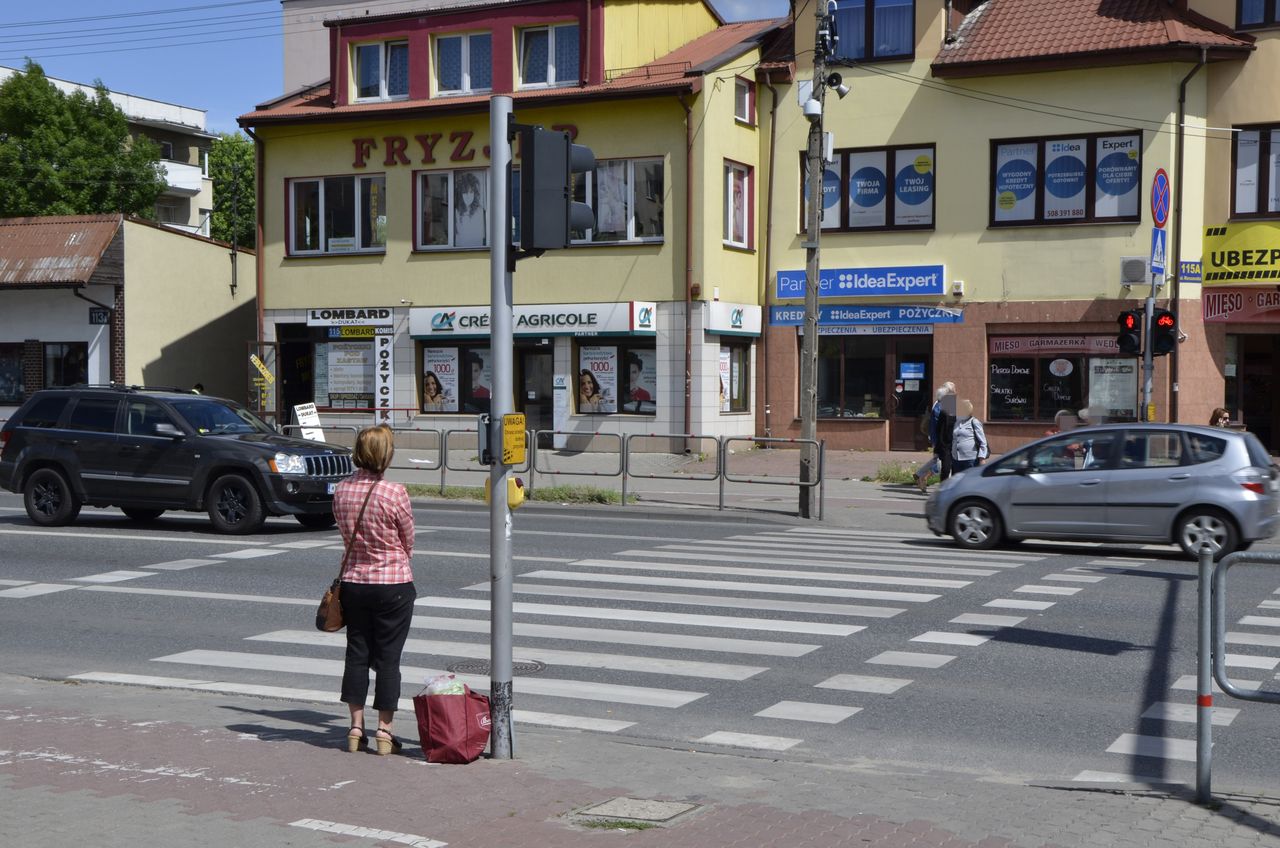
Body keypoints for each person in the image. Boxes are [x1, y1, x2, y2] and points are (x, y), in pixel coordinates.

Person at [332, 425, 416, 756]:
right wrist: (395, 559)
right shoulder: (395, 492)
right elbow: (408, 538)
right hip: (393, 584)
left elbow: (342, 530)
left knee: (357, 654)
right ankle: (385, 730)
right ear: (386, 454)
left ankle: (355, 728)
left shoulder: (341, 490)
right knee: (388, 658)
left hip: (354, 582)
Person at [915, 382, 954, 493]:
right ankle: (924, 477)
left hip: (940, 439)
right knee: (940, 463)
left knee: (937, 460)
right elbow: (941, 427)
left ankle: (919, 475)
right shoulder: (941, 408)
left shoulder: (941, 405)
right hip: (940, 440)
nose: (954, 393)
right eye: (952, 391)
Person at [951, 398, 988, 473]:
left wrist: (982, 458)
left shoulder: (974, 422)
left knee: (969, 482)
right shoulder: (957, 422)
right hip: (956, 458)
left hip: (970, 459)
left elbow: (983, 442)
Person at [454, 171, 486, 248]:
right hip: (459, 251)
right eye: (465, 193)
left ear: (475, 193)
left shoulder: (480, 211)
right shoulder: (456, 211)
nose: (468, 196)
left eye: (471, 192)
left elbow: (482, 236)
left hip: (478, 250)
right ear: (460, 194)